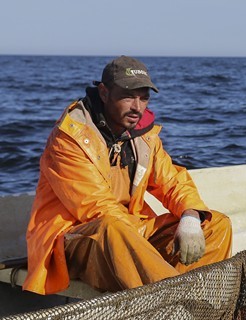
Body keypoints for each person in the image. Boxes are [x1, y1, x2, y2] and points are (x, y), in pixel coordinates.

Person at [24, 56, 232, 295]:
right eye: (128, 96)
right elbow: (96, 208)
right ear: (104, 93)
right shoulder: (68, 138)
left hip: (128, 230)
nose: (137, 107)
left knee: (216, 224)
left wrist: (191, 217)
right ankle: (179, 303)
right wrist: (144, 247)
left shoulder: (145, 134)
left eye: (144, 98)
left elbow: (172, 181)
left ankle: (198, 302)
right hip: (72, 241)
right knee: (113, 228)